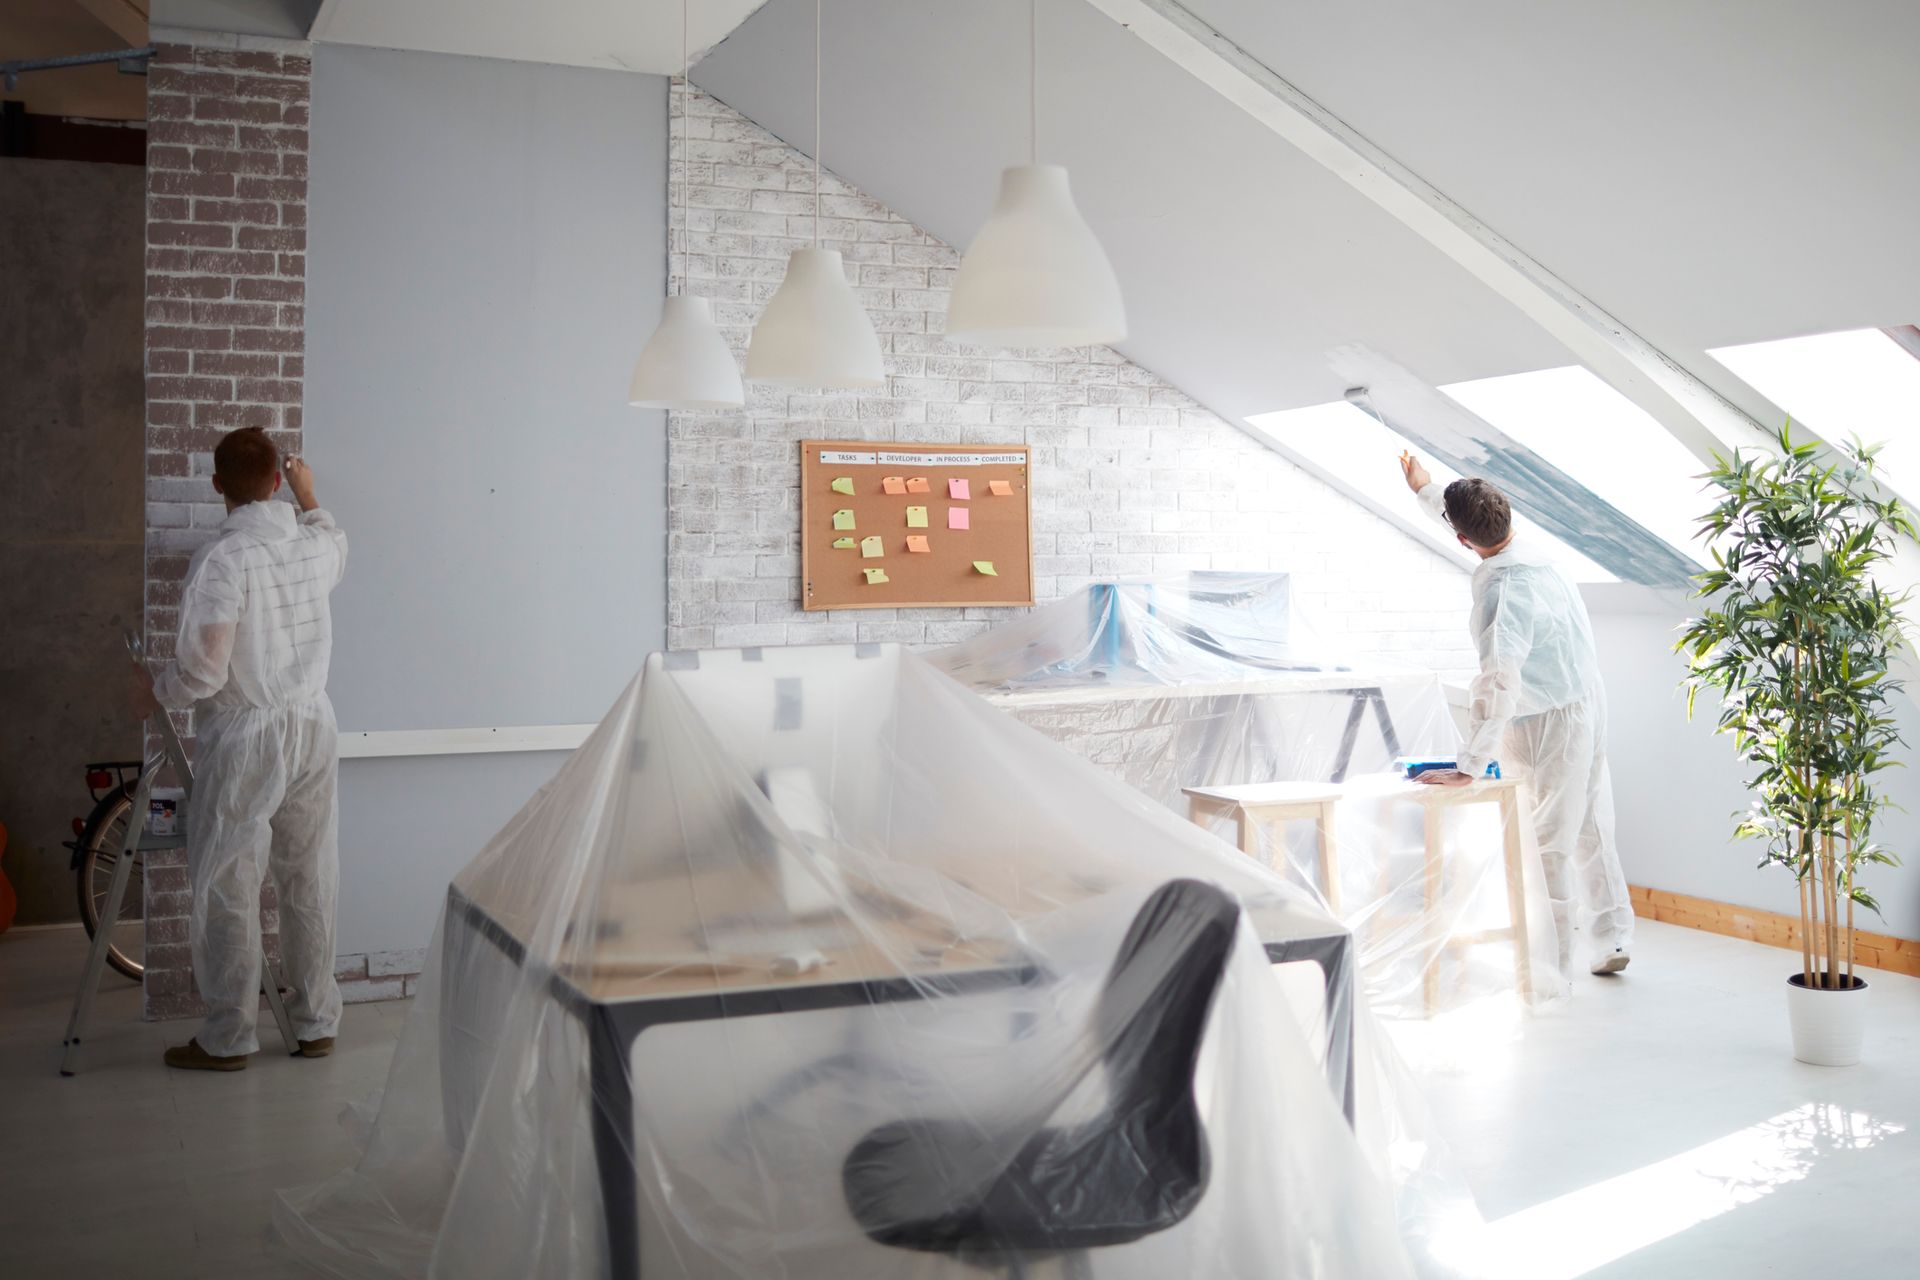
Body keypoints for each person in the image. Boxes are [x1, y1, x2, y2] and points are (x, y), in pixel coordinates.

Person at [132, 427, 348, 1069]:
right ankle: (315, 1022)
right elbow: (335, 539)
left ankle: (228, 1036)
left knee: (229, 879)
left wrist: (157, 692)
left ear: (217, 484)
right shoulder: (312, 547)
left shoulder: (223, 560)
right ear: (278, 481)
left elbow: (204, 671)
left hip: (247, 732)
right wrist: (312, 496)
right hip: (314, 723)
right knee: (310, 873)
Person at [1398, 453, 1633, 979]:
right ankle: (1612, 935)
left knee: (1547, 840)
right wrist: (1424, 488)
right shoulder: (1540, 556)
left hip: (1546, 720)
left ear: (1462, 541)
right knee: (1593, 823)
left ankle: (1551, 968)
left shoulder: (1505, 592)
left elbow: (1499, 682)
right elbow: (1465, 516)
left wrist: (1470, 763)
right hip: (1586, 700)